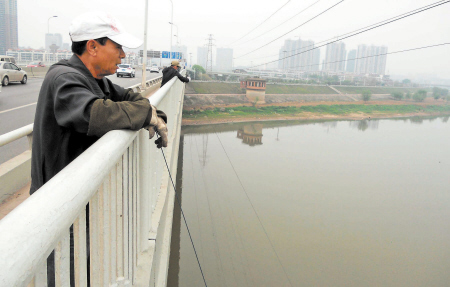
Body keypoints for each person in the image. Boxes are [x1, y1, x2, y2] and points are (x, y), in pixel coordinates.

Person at [29, 11, 168, 286]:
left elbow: (131, 98)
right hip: (58, 208)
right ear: (92, 46)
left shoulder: (97, 81)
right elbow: (96, 113)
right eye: (117, 48)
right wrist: (145, 113)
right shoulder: (64, 78)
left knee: (85, 270)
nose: (123, 56)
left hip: (78, 201)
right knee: (66, 274)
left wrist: (151, 111)